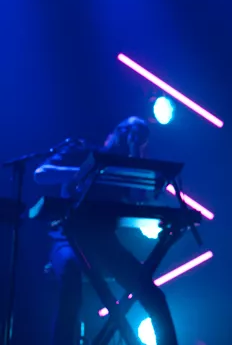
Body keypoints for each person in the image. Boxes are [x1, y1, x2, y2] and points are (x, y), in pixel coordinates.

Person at [34, 117, 178, 345]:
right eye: (131, 133)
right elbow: (41, 174)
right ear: (119, 130)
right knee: (71, 280)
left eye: (140, 138)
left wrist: (135, 157)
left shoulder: (123, 169)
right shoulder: (84, 151)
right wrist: (86, 171)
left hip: (106, 244)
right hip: (69, 239)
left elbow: (138, 196)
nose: (132, 139)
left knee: (154, 297)